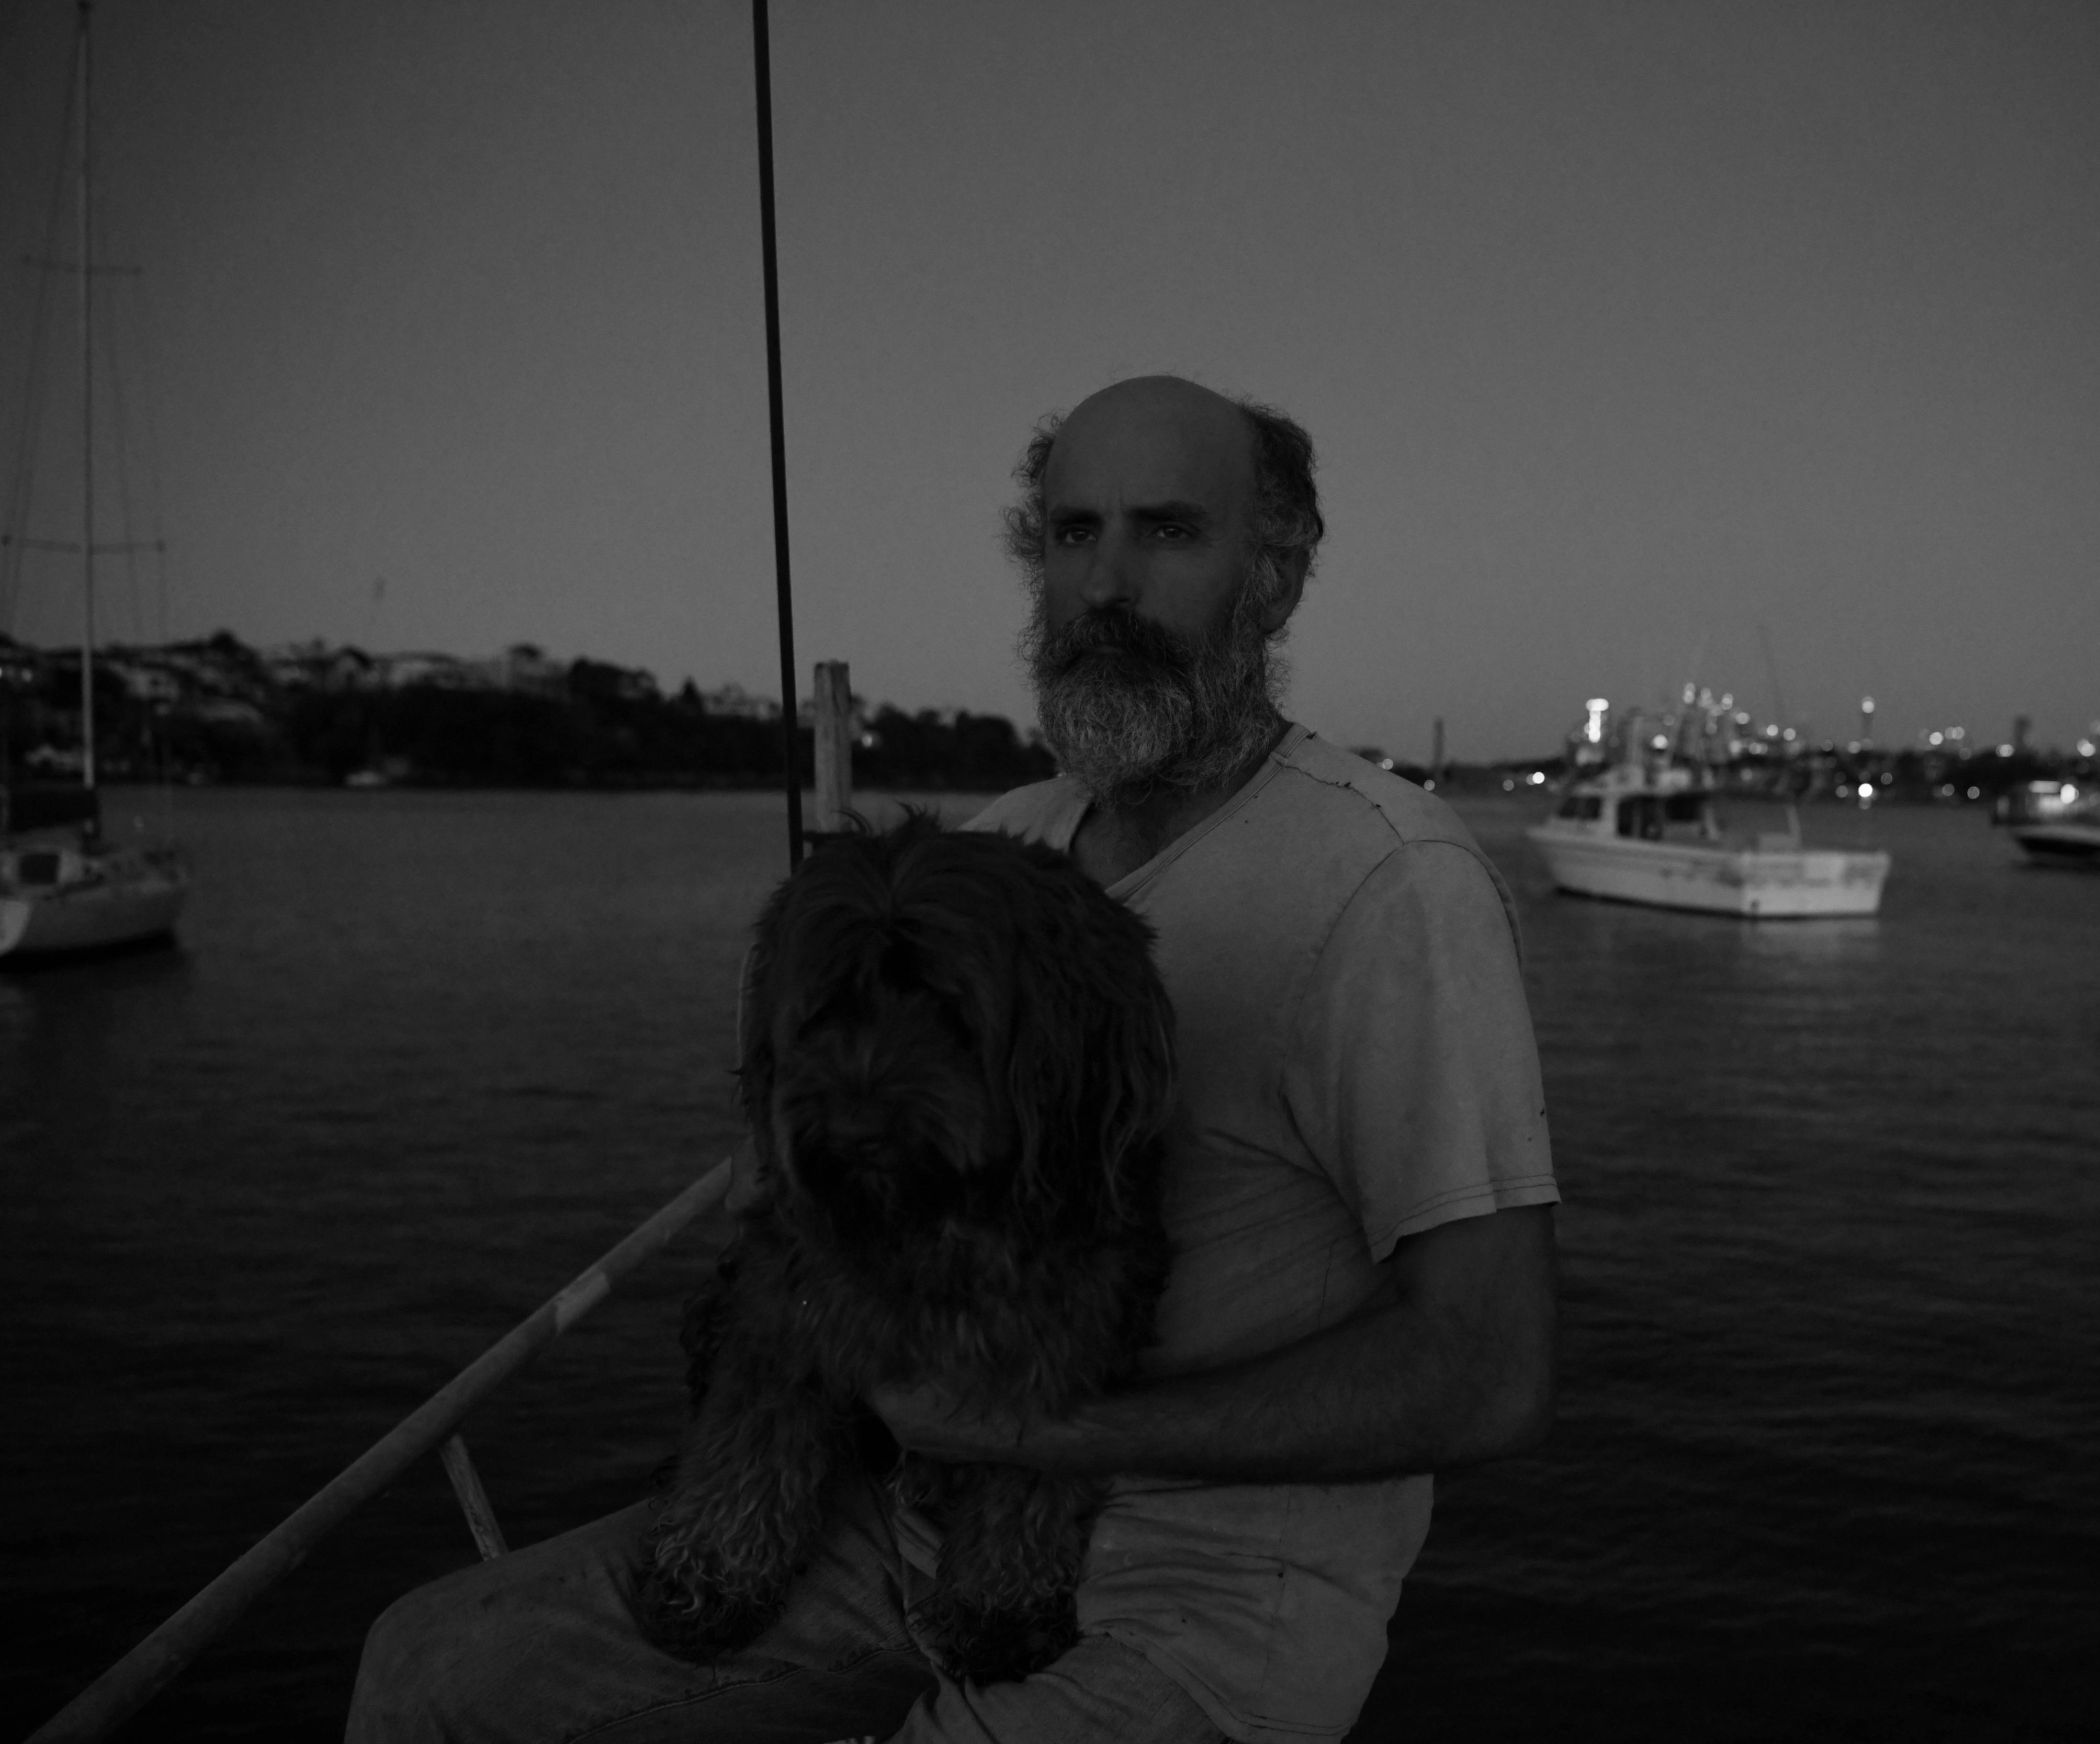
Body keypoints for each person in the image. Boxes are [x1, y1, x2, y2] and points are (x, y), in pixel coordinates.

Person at [344, 375, 1557, 1744]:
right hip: (898, 1519)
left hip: (1205, 1602)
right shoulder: (1006, 839)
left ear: (1273, 575)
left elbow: (1488, 1370)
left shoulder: (1390, 885)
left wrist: (1036, 1434)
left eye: (1168, 532)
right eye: (1073, 533)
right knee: (427, 1674)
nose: (1107, 585)